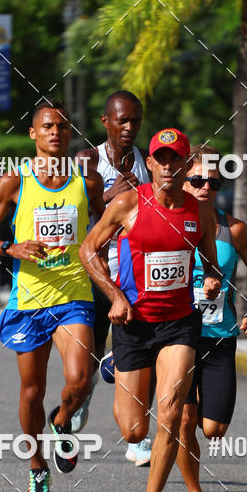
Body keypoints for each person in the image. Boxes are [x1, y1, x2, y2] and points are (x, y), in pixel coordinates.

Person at [81, 128, 222, 492]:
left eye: (174, 159)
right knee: (133, 430)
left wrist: (211, 280)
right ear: (153, 162)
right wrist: (113, 297)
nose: (166, 165)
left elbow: (211, 263)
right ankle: (115, 367)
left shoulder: (199, 214)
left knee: (173, 413)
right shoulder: (129, 204)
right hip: (132, 324)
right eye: (159, 158)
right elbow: (88, 249)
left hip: (179, 322)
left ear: (185, 165)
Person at [0, 100, 105, 492]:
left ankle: (62, 420)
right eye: (48, 126)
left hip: (73, 295)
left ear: (70, 133)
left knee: (80, 380)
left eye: (63, 127)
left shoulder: (88, 180)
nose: (55, 132)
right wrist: (10, 248)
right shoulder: (15, 181)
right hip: (30, 301)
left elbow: (107, 226)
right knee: (32, 391)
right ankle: (36, 466)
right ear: (33, 133)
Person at [175, 146, 247, 492]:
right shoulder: (169, 225)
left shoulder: (234, 230)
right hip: (178, 335)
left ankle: (195, 413)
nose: (204, 188)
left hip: (220, 335)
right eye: (196, 180)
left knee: (212, 429)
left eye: (213, 182)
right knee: (183, 420)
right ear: (182, 180)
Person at [73, 90, 153, 466]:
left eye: (135, 120)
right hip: (98, 276)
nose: (129, 127)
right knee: (84, 365)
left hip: (136, 277)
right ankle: (78, 405)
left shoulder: (147, 162)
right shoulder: (87, 160)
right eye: (122, 120)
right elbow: (76, 215)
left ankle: (137, 440)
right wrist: (110, 197)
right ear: (106, 122)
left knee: (142, 358)